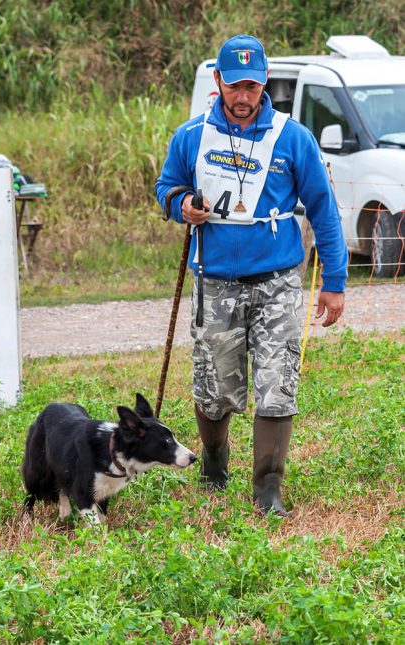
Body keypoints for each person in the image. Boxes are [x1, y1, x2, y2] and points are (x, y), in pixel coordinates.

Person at [155, 34, 347, 516]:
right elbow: (165, 189)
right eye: (234, 86)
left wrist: (335, 282)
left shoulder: (292, 137)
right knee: (214, 387)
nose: (244, 97)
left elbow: (323, 209)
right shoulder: (192, 135)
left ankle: (268, 489)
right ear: (217, 81)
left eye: (253, 87)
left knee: (277, 383)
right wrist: (183, 206)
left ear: (265, 85)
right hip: (215, 280)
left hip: (278, 281)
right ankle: (214, 466)